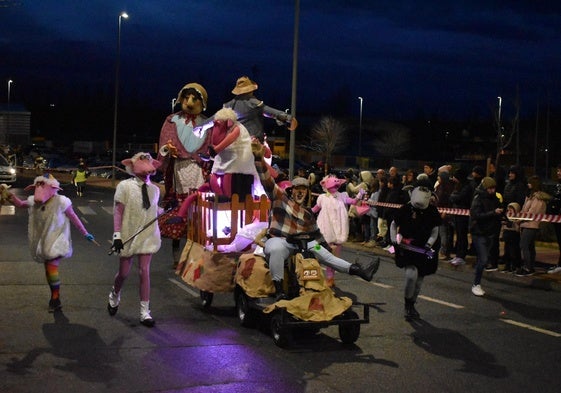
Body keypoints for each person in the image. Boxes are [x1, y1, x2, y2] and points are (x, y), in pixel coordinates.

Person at [251, 140, 379, 300]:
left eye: (303, 190)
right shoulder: (279, 198)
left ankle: (359, 271)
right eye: (297, 189)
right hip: (280, 241)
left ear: (307, 193)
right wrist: (258, 158)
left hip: (304, 244)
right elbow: (266, 180)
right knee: (276, 249)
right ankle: (279, 291)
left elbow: (316, 234)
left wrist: (324, 247)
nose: (300, 192)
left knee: (327, 256)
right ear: (291, 191)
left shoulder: (307, 213)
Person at [1, 174, 96, 312]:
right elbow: (21, 204)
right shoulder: (34, 201)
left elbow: (74, 217)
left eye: (42, 185)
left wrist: (85, 233)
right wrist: (9, 196)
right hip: (44, 240)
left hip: (58, 239)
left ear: (52, 188)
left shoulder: (62, 202)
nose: (39, 189)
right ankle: (55, 297)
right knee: (48, 270)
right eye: (37, 185)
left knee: (51, 268)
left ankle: (55, 298)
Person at [157, 82, 209, 268]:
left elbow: (211, 149)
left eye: (194, 99)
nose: (189, 102)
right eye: (186, 98)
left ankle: (195, 256)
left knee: (198, 214)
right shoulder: (172, 120)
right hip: (179, 169)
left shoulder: (207, 123)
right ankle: (177, 256)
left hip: (198, 171)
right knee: (179, 211)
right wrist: (167, 149)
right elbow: (164, 144)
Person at [108, 153, 162, 327]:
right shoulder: (124, 186)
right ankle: (114, 295)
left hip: (148, 235)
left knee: (144, 271)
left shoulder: (155, 189)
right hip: (128, 235)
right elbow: (118, 212)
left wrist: (167, 210)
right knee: (123, 273)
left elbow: (152, 210)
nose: (147, 173)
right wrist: (117, 235)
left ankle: (144, 312)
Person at [390, 179, 441, 320]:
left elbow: (435, 231)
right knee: (411, 276)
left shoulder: (432, 211)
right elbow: (394, 223)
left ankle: (411, 304)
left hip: (425, 249)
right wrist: (393, 238)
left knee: (418, 281)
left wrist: (430, 243)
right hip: (408, 247)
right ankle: (407, 304)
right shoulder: (406, 209)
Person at [312, 175, 363, 287]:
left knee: (334, 258)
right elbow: (314, 209)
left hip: (339, 234)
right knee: (317, 253)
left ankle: (330, 279)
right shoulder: (322, 198)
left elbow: (353, 202)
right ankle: (315, 277)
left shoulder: (342, 196)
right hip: (323, 234)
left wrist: (360, 195)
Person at [224, 76, 297, 141]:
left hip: (233, 144)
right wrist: (289, 118)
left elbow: (214, 119)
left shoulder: (227, 105)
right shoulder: (254, 103)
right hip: (252, 144)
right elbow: (272, 113)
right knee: (267, 155)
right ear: (251, 90)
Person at [469, 177, 503, 296]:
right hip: (479, 232)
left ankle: (477, 279)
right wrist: (493, 213)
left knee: (482, 259)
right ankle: (476, 284)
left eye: (494, 188)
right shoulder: (478, 198)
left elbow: (499, 210)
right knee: (483, 259)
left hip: (490, 232)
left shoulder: (494, 198)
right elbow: (476, 215)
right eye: (490, 188)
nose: (492, 190)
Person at [516, 175, 551, 277]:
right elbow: (524, 209)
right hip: (527, 223)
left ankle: (528, 267)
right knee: (530, 246)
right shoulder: (531, 196)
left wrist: (519, 220)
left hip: (531, 225)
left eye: (530, 182)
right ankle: (529, 266)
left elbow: (532, 213)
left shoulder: (538, 198)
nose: (528, 184)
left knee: (524, 245)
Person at [449, 167, 473, 266]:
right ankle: (458, 255)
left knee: (462, 235)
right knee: (458, 235)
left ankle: (461, 255)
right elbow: (453, 197)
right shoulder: (459, 186)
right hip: (457, 214)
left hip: (463, 215)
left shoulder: (467, 186)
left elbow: (459, 197)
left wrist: (454, 197)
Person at [434, 169, 454, 261]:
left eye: (440, 176)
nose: (438, 178)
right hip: (438, 212)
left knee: (444, 233)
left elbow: (447, 202)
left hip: (444, 214)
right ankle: (441, 251)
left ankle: (443, 252)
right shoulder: (440, 187)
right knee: (440, 233)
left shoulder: (447, 189)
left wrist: (444, 212)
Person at [547, 164, 561, 274]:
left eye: (560, 171)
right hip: (557, 219)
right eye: (558, 170)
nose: (558, 173)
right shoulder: (558, 185)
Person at [501, 202, 521, 273]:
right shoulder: (506, 215)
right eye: (509, 209)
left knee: (514, 252)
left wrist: (513, 223)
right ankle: (507, 266)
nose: (510, 210)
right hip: (507, 234)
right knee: (507, 251)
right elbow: (503, 227)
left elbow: (517, 227)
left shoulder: (518, 216)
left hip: (514, 234)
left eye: (512, 209)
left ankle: (515, 266)